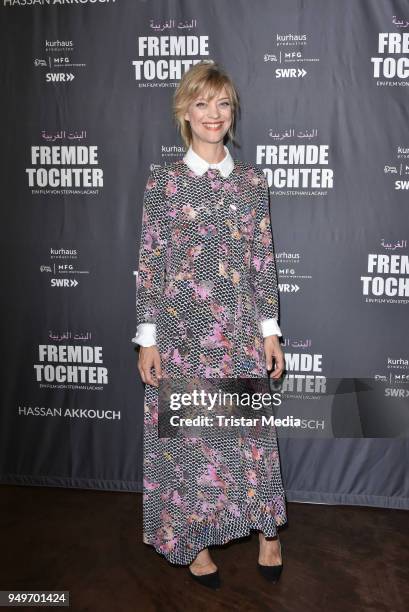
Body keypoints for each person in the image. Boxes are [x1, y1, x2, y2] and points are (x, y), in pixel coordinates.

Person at [132, 60, 287, 589]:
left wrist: (270, 329)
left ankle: (269, 532)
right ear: (185, 112)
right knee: (193, 440)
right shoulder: (164, 183)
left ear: (232, 111)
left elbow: (261, 259)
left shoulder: (250, 182)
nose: (213, 114)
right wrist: (147, 338)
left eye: (222, 103)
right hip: (181, 336)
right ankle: (194, 539)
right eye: (202, 103)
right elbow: (151, 263)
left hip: (240, 331)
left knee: (249, 438)